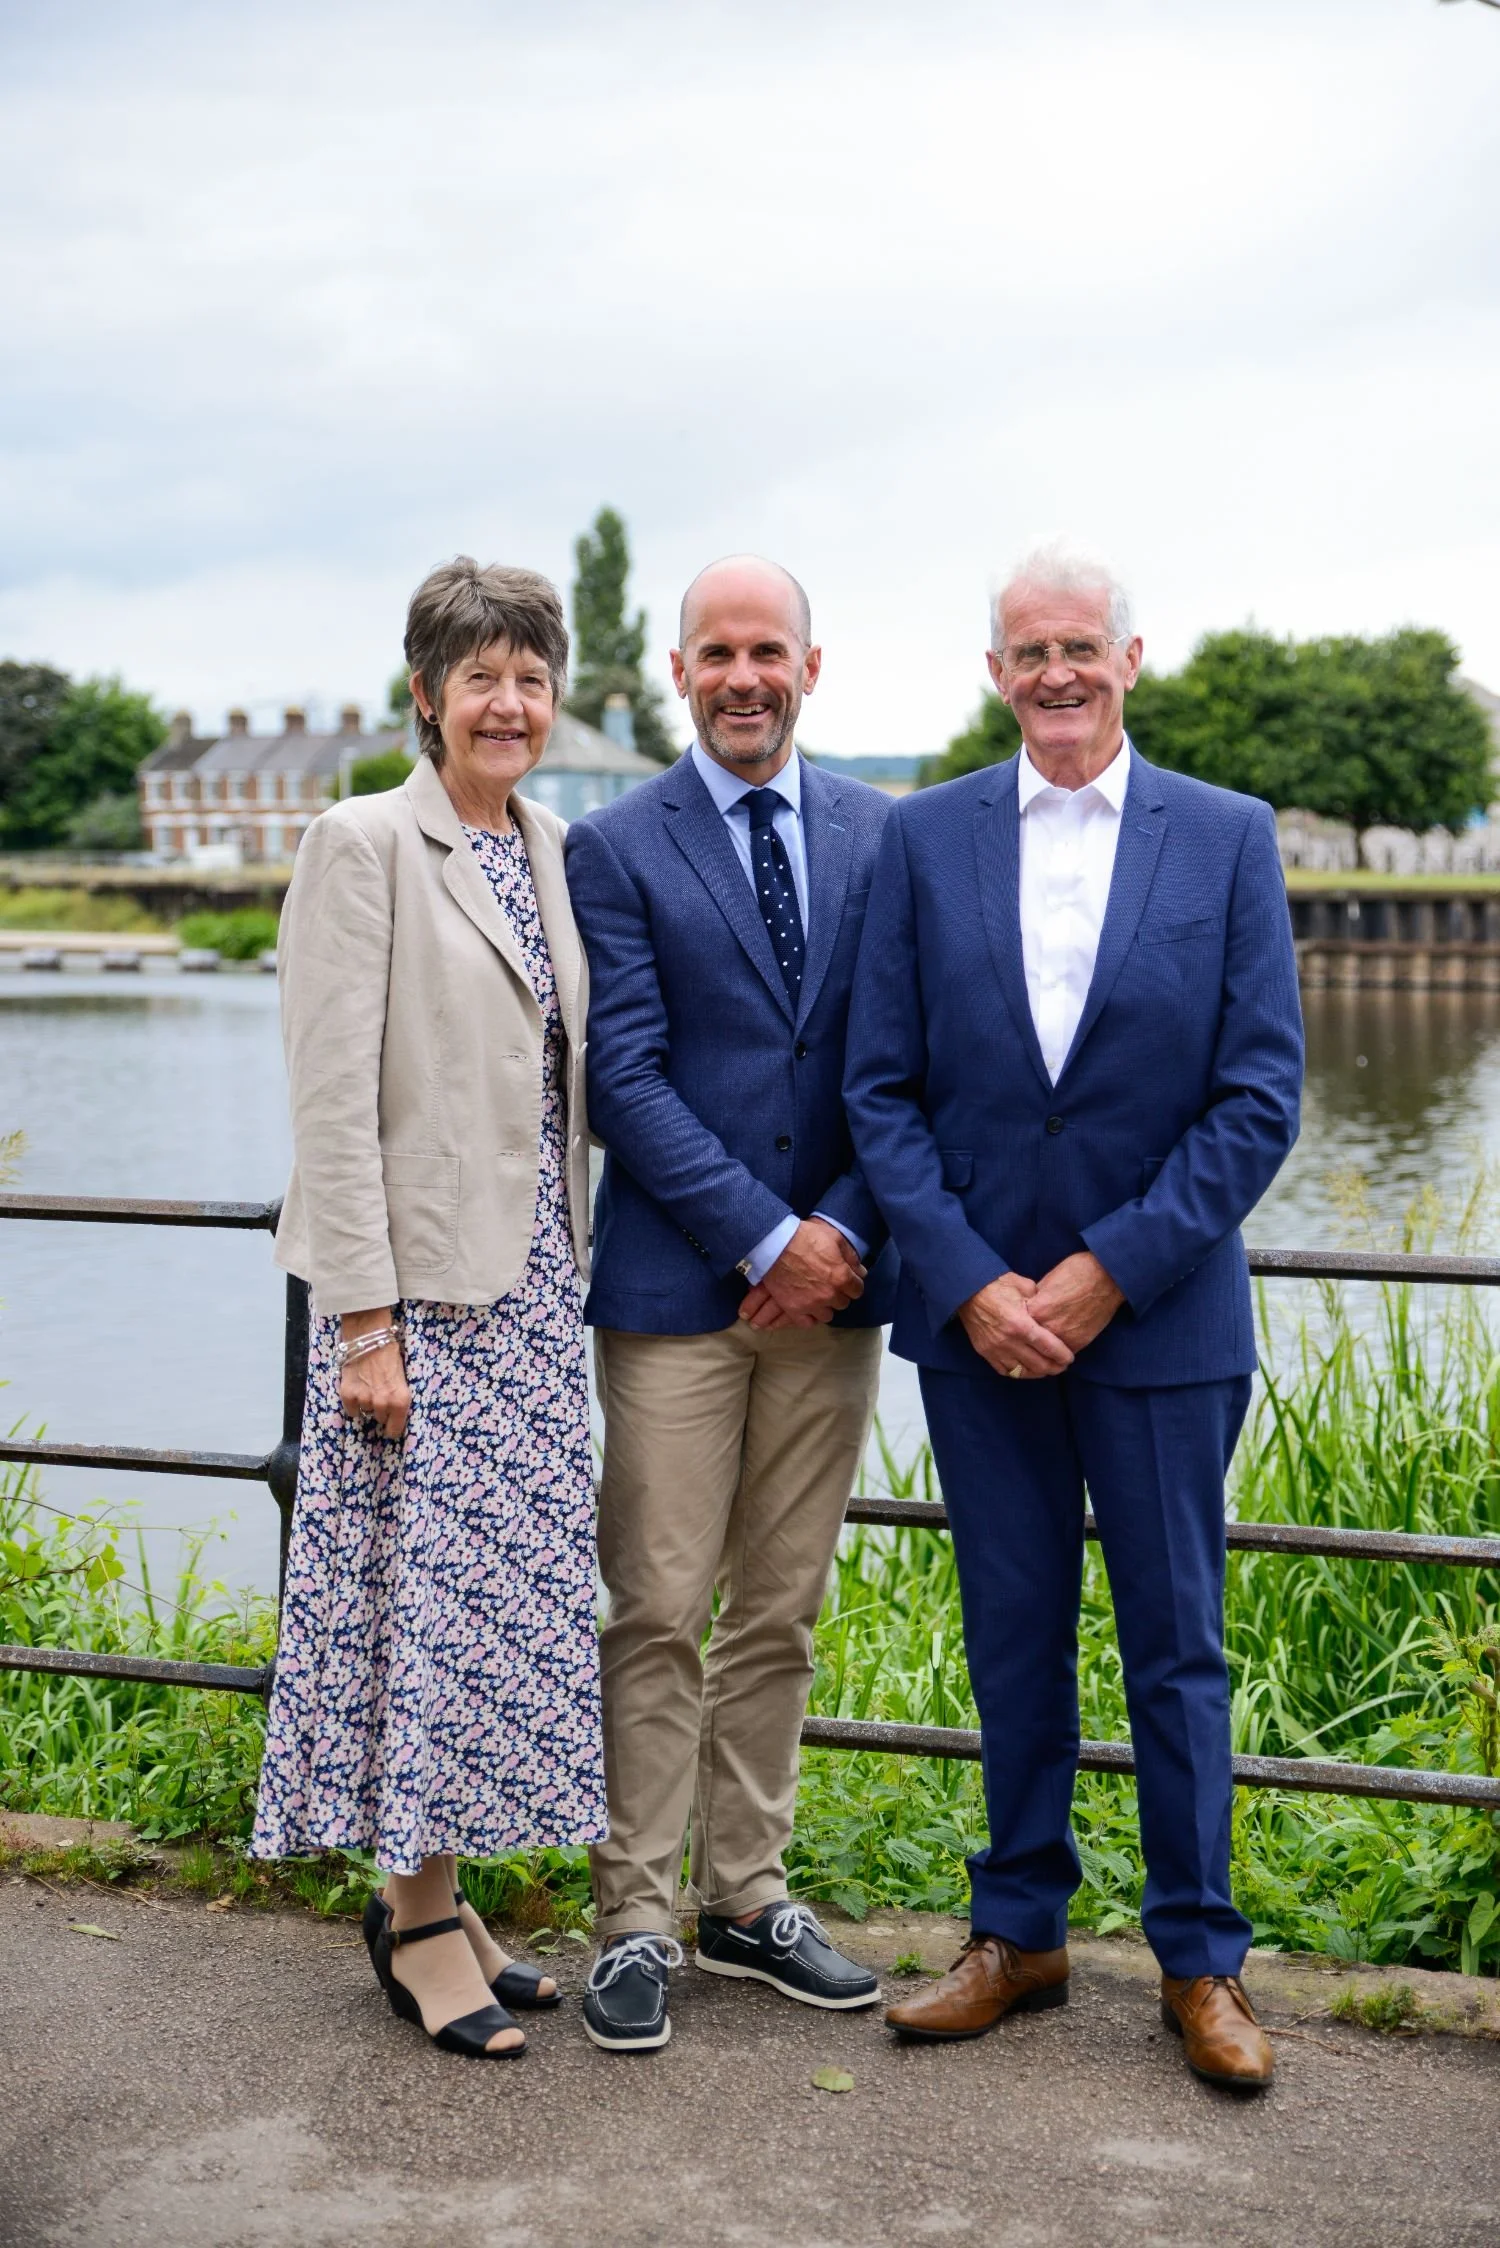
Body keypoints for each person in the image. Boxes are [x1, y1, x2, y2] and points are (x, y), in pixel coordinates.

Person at [844, 542, 1303, 2089]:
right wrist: (971, 1278)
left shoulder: (1226, 839)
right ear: (995, 673)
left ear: (1130, 658)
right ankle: (1020, 1933)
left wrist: (1110, 1267)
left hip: (1160, 1322)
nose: (1056, 674)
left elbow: (1258, 1100)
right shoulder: (924, 840)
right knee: (1013, 1632)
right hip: (980, 1329)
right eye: (1028, 651)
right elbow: (880, 1089)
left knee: (1179, 1649)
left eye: (1080, 649)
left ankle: (1202, 1963)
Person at [251, 557, 606, 2061]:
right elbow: (330, 1104)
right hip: (416, 1309)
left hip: (530, 1294)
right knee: (418, 1617)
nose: (508, 703)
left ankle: (447, 1896)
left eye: (530, 677)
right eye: (481, 678)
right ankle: (409, 1929)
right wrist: (362, 1324)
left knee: (490, 1619)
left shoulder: (553, 844)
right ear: (426, 693)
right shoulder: (361, 843)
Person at [563, 555, 897, 2052]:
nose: (745, 676)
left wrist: (834, 1230)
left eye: (771, 650)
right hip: (675, 1297)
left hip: (839, 1292)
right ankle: (633, 1915)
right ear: (680, 674)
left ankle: (748, 1898)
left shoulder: (888, 838)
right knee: (654, 1606)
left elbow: (916, 1072)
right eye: (719, 653)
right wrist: (764, 1238)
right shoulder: (617, 845)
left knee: (781, 1607)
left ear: (811, 669)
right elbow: (620, 1076)